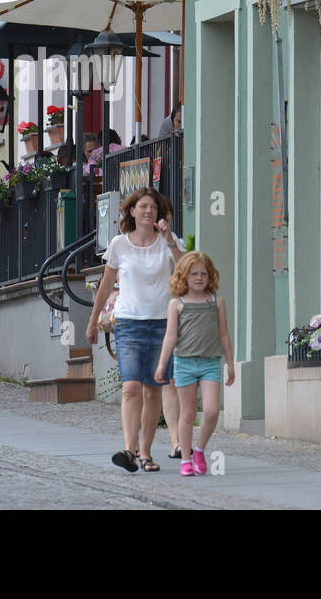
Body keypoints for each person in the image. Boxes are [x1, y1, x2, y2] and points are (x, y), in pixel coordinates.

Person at [87, 187, 185, 473]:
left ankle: (145, 452)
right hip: (129, 323)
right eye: (142, 207)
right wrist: (92, 322)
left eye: (153, 207)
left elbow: (185, 269)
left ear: (159, 212)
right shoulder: (119, 244)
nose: (148, 211)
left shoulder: (168, 242)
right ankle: (129, 449)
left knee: (153, 390)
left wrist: (169, 241)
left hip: (161, 325)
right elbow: (106, 286)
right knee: (131, 388)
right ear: (131, 211)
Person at [154, 251, 233, 476]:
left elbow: (224, 334)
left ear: (210, 277)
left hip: (210, 363)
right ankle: (186, 459)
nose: (199, 278)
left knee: (211, 411)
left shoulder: (216, 302)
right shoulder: (176, 304)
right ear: (184, 277)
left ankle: (199, 449)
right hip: (184, 364)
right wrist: (162, 365)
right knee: (188, 414)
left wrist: (230, 363)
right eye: (194, 274)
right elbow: (170, 336)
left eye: (203, 274)